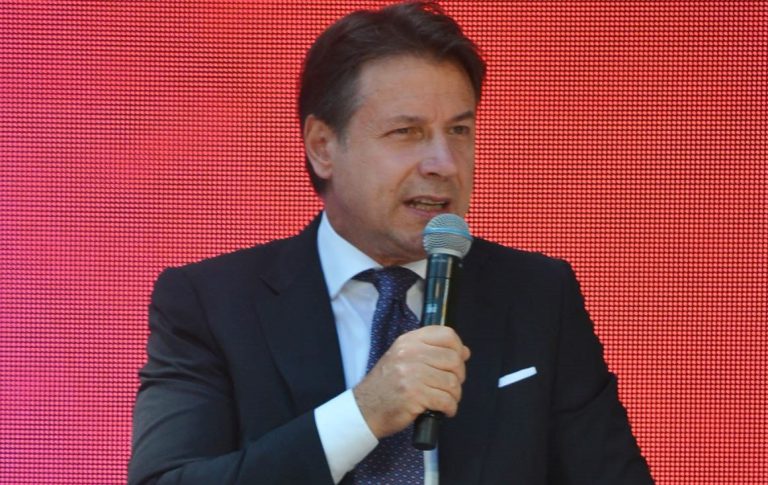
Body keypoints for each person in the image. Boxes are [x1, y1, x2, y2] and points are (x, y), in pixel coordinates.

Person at [129, 2, 653, 484]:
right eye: (407, 132)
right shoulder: (212, 303)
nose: (444, 163)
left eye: (460, 131)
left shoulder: (537, 293)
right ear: (322, 147)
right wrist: (363, 413)